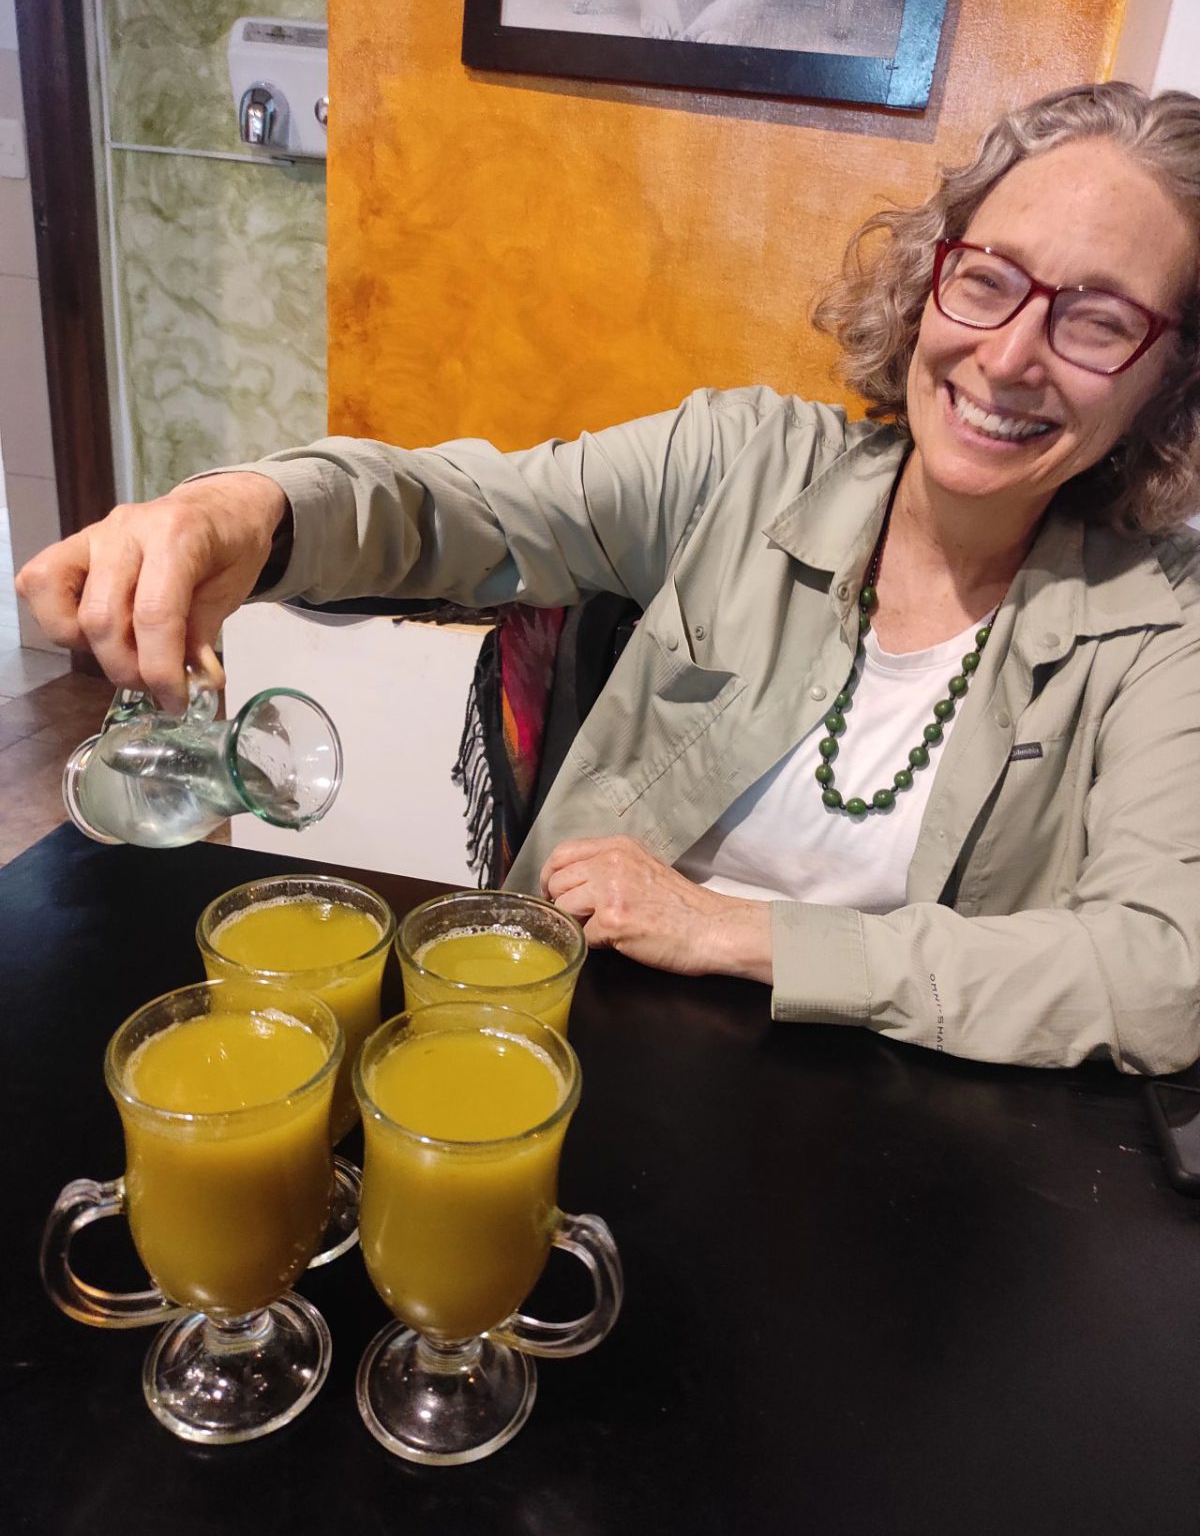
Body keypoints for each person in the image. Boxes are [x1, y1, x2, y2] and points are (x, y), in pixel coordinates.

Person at [17, 81, 1200, 1074]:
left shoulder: (1166, 622)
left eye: (1096, 323)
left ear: (1166, 379)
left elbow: (1161, 975)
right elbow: (459, 509)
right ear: (932, 279)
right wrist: (246, 510)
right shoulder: (743, 463)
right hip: (563, 1051)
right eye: (987, 279)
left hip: (903, 1125)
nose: (1008, 355)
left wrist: (743, 933)